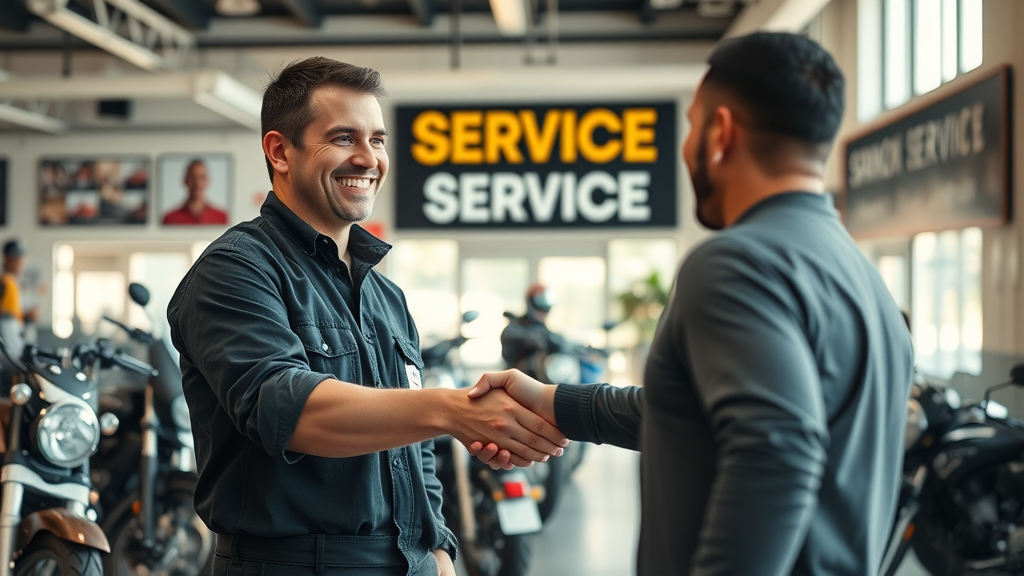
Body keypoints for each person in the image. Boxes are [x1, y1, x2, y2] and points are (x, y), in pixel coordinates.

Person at [467, 32, 914, 576]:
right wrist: (555, 402)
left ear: (721, 133)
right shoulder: (860, 276)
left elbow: (776, 451)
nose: (685, 148)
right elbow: (703, 415)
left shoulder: (738, 262)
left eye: (692, 127)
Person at [166, 58, 568, 576]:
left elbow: (413, 450)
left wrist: (441, 550)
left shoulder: (386, 296)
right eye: (342, 138)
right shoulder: (235, 269)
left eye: (377, 140)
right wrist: (448, 410)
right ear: (279, 151)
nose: (368, 158)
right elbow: (286, 410)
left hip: (410, 562)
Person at [499, 284, 564, 376]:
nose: (543, 309)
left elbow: (558, 340)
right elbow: (509, 334)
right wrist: (527, 338)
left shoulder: (544, 329)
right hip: (517, 378)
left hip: (543, 379)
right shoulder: (516, 326)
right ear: (530, 302)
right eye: (540, 302)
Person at [0, 239, 38, 356]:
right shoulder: (4, 282)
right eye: (15, 259)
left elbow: (14, 314)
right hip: (5, 346)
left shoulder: (13, 282)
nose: (20, 262)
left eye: (20, 259)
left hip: (15, 338)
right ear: (7, 260)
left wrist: (27, 316)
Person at [161, 159, 229, 225]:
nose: (197, 183)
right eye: (193, 177)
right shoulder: (170, 219)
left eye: (202, 177)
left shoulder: (221, 217)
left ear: (208, 181)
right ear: (186, 180)